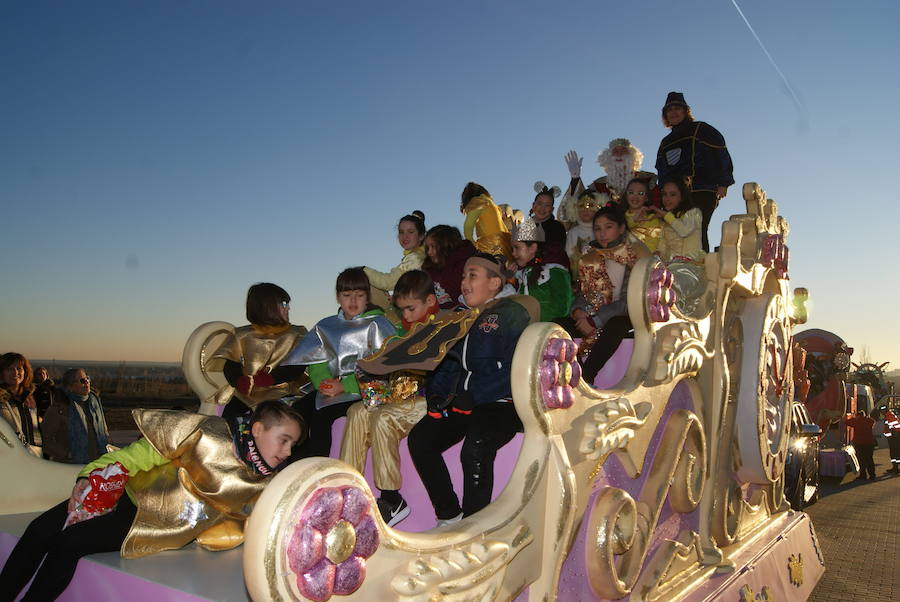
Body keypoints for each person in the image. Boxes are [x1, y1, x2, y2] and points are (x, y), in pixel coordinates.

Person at [0, 400, 305, 602]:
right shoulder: (208, 432)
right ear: (258, 429)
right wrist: (94, 474)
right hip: (125, 493)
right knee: (40, 529)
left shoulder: (263, 483)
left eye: (293, 444)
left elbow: (247, 525)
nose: (288, 451)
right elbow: (142, 455)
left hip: (147, 523)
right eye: (284, 440)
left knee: (69, 543)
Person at [407, 253, 533, 525]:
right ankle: (450, 516)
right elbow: (447, 364)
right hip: (465, 402)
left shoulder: (511, 313)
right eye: (463, 276)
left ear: (495, 282)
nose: (464, 282)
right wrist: (437, 396)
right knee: (421, 440)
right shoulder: (459, 318)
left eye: (472, 275)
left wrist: (474, 396)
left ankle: (474, 525)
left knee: (475, 447)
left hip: (501, 402)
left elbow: (515, 368)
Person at [340, 270, 438, 527]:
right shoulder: (399, 335)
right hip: (400, 398)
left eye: (410, 309)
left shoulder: (441, 329)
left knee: (383, 418)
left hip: (432, 400)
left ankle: (392, 498)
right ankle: (349, 489)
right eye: (401, 310)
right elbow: (389, 383)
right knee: (357, 412)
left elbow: (435, 378)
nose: (405, 316)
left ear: (430, 301)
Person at [283, 267, 396, 459]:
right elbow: (317, 361)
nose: (353, 301)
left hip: (362, 390)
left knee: (321, 418)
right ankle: (296, 464)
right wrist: (324, 383)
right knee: (297, 412)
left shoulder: (378, 324)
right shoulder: (327, 326)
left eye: (359, 295)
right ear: (337, 297)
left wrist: (344, 385)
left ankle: (319, 467)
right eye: (346, 295)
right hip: (330, 389)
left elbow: (383, 367)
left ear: (367, 297)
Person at [569, 207, 650, 383]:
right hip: (592, 311)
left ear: (621, 228)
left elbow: (630, 300)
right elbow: (584, 291)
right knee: (557, 325)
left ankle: (587, 377)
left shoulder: (634, 255)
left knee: (616, 325)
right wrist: (578, 311)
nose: (602, 233)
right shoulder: (589, 257)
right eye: (597, 229)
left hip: (626, 315)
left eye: (608, 227)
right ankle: (572, 372)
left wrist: (595, 320)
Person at [209, 283, 308, 420]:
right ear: (267, 308)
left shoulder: (297, 333)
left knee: (293, 417)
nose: (288, 308)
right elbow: (231, 364)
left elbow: (298, 366)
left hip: (284, 390)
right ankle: (234, 440)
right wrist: (238, 380)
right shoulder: (242, 334)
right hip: (247, 394)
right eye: (284, 304)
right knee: (229, 417)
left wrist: (273, 378)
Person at [655, 92, 734, 252]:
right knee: (675, 230)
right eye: (669, 110)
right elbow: (662, 170)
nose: (674, 112)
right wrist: (663, 194)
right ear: (665, 116)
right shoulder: (665, 142)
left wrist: (724, 182)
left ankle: (700, 266)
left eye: (678, 108)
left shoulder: (701, 129)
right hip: (676, 195)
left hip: (703, 189)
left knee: (697, 230)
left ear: (685, 111)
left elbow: (721, 153)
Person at [558, 139, 657, 227]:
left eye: (624, 151)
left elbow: (658, 208)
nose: (619, 155)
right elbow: (582, 206)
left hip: (642, 232)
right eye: (616, 152)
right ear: (608, 157)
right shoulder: (599, 185)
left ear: (632, 156)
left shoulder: (646, 181)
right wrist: (575, 179)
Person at [652, 178, 706, 315]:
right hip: (669, 268)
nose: (667, 199)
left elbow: (684, 231)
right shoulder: (665, 223)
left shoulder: (694, 213)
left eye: (672, 194)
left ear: (682, 196)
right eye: (664, 194)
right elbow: (661, 249)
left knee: (670, 284)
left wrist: (665, 215)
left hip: (690, 268)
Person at [40, 369, 110, 464]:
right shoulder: (60, 407)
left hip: (96, 465)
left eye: (87, 379)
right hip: (70, 466)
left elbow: (104, 432)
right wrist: (67, 454)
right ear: (70, 386)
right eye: (82, 381)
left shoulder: (94, 404)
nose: (87, 383)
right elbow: (45, 438)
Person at [510, 218, 573, 323]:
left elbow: (562, 308)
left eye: (517, 248)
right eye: (512, 249)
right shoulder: (522, 274)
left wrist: (528, 319)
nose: (513, 253)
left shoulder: (555, 271)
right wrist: (510, 281)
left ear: (532, 248)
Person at [363, 211, 427, 311]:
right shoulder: (417, 255)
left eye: (410, 232)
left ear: (421, 236)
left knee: (366, 283)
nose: (405, 236)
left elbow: (388, 283)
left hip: (416, 308)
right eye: (401, 232)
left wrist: (363, 270)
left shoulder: (415, 258)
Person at [422, 225, 475, 309]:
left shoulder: (466, 265)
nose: (429, 252)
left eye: (433, 247)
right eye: (428, 248)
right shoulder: (431, 270)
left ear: (445, 245)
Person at [0, 352, 40, 456]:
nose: (15, 372)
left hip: (34, 455)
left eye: (19, 368)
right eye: (9, 369)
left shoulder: (29, 397)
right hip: (8, 457)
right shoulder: (2, 400)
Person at [460, 182, 512, 260]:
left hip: (490, 245)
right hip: (505, 242)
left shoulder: (477, 202)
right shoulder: (491, 204)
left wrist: (472, 245)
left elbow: (468, 227)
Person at [564, 189, 606, 271]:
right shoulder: (573, 232)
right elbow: (568, 255)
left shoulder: (602, 230)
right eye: (581, 206)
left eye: (590, 206)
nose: (586, 210)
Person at [623, 178, 664, 253]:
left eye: (641, 193)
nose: (635, 197)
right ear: (626, 195)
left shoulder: (652, 219)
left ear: (646, 198)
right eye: (631, 192)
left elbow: (653, 242)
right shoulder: (619, 217)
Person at [529, 182, 566, 246]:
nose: (543, 208)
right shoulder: (524, 227)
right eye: (540, 203)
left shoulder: (557, 228)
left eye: (547, 205)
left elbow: (558, 251)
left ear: (552, 209)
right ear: (533, 205)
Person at [846, 409, 876, 480]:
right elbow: (873, 421)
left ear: (858, 415)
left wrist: (853, 417)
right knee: (869, 459)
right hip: (869, 443)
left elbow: (847, 422)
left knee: (861, 460)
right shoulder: (869, 420)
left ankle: (863, 475)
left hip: (860, 443)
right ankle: (872, 475)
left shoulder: (856, 421)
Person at [884, 408, 900, 474]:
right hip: (894, 436)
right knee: (895, 453)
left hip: (894, 437)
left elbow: (890, 426)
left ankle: (896, 468)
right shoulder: (890, 415)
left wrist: (889, 434)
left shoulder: (889, 416)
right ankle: (895, 467)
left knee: (894, 453)